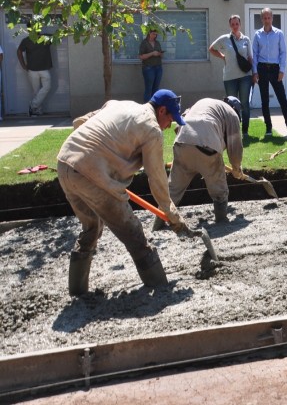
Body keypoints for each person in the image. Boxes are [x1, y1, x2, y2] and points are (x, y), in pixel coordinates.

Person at [56, 89, 189, 296]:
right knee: (133, 232)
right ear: (162, 111)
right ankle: (160, 287)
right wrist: (172, 214)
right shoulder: (152, 130)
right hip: (91, 175)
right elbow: (157, 179)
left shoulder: (119, 104)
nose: (169, 125)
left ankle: (77, 291)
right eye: (170, 118)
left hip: (64, 163)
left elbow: (79, 123)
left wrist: (96, 155)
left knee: (91, 228)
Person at [156, 96, 246, 229]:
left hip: (181, 142)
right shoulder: (232, 114)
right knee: (219, 189)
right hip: (207, 146)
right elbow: (235, 147)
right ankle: (221, 221)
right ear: (236, 109)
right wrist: (237, 168)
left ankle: (157, 224)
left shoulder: (204, 103)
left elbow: (181, 122)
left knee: (173, 191)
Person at [252, 7, 287, 139]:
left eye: (269, 17)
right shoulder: (257, 35)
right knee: (264, 100)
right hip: (261, 69)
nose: (267, 20)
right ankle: (268, 128)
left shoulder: (279, 33)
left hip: (275, 69)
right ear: (262, 19)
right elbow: (254, 54)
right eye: (264, 18)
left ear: (272, 18)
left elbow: (283, 52)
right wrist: (255, 72)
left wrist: (282, 70)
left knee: (282, 98)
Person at [209, 14, 255, 135]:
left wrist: (254, 74)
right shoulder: (224, 39)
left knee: (244, 103)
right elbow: (211, 49)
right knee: (231, 105)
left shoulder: (246, 39)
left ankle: (245, 131)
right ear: (230, 25)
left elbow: (250, 58)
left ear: (240, 24)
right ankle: (234, 130)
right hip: (230, 77)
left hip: (245, 76)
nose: (235, 26)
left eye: (237, 24)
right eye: (233, 24)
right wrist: (222, 56)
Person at [16, 30, 53, 117]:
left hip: (44, 68)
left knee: (47, 87)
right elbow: (19, 51)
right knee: (36, 91)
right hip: (32, 70)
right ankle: (37, 110)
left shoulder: (46, 38)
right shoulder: (26, 40)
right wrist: (23, 65)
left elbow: (58, 35)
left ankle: (32, 106)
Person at [139, 28, 164, 103]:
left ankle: (154, 106)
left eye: (156, 34)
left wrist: (159, 54)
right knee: (148, 89)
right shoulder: (144, 43)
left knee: (156, 89)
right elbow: (141, 56)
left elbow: (161, 55)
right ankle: (147, 107)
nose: (155, 36)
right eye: (153, 34)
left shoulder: (157, 43)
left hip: (158, 67)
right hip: (148, 68)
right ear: (149, 33)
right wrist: (152, 53)